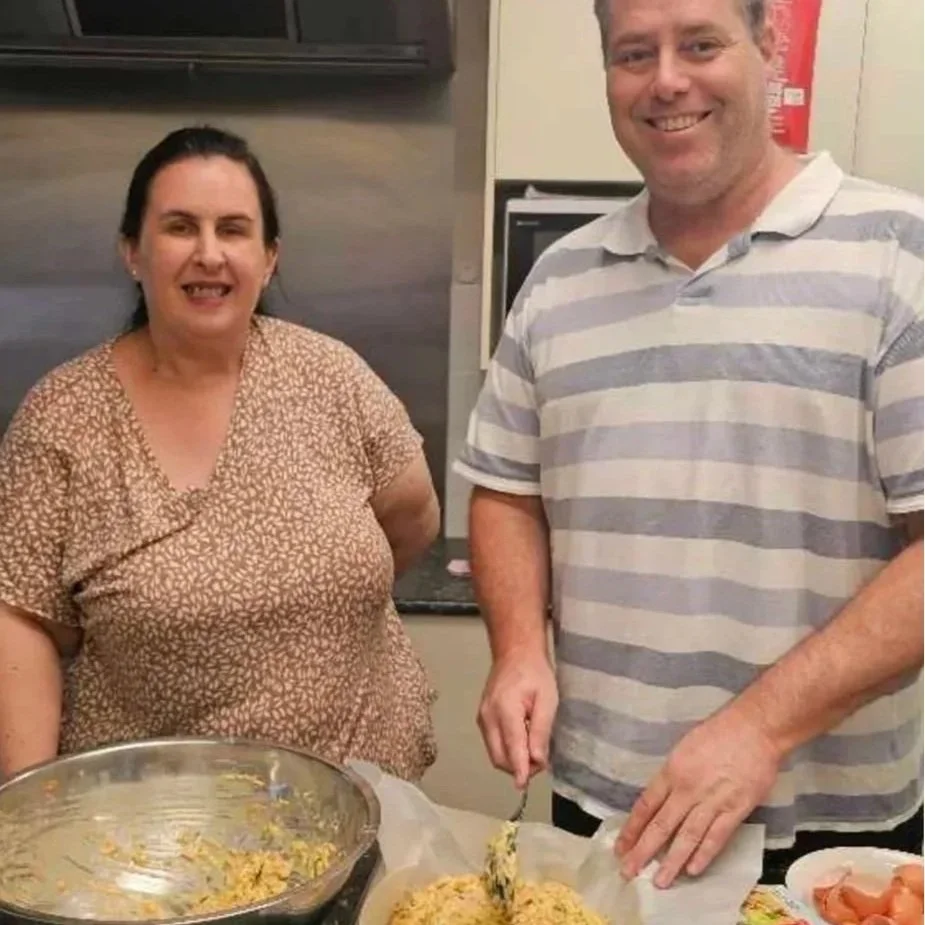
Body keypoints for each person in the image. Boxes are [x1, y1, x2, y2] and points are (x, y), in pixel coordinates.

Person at [455, 0, 923, 887]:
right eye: (633, 53)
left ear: (766, 45)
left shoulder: (900, 254)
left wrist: (759, 728)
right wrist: (518, 647)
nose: (666, 79)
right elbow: (508, 490)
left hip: (822, 834)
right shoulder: (557, 280)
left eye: (699, 44)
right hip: (599, 803)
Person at [0, 126, 441, 783]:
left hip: (362, 798)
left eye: (233, 230)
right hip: (151, 822)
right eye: (180, 227)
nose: (208, 254)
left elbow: (412, 516)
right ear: (133, 251)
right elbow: (20, 622)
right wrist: (26, 818)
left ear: (267, 258)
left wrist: (316, 597)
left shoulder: (332, 377)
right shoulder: (61, 418)